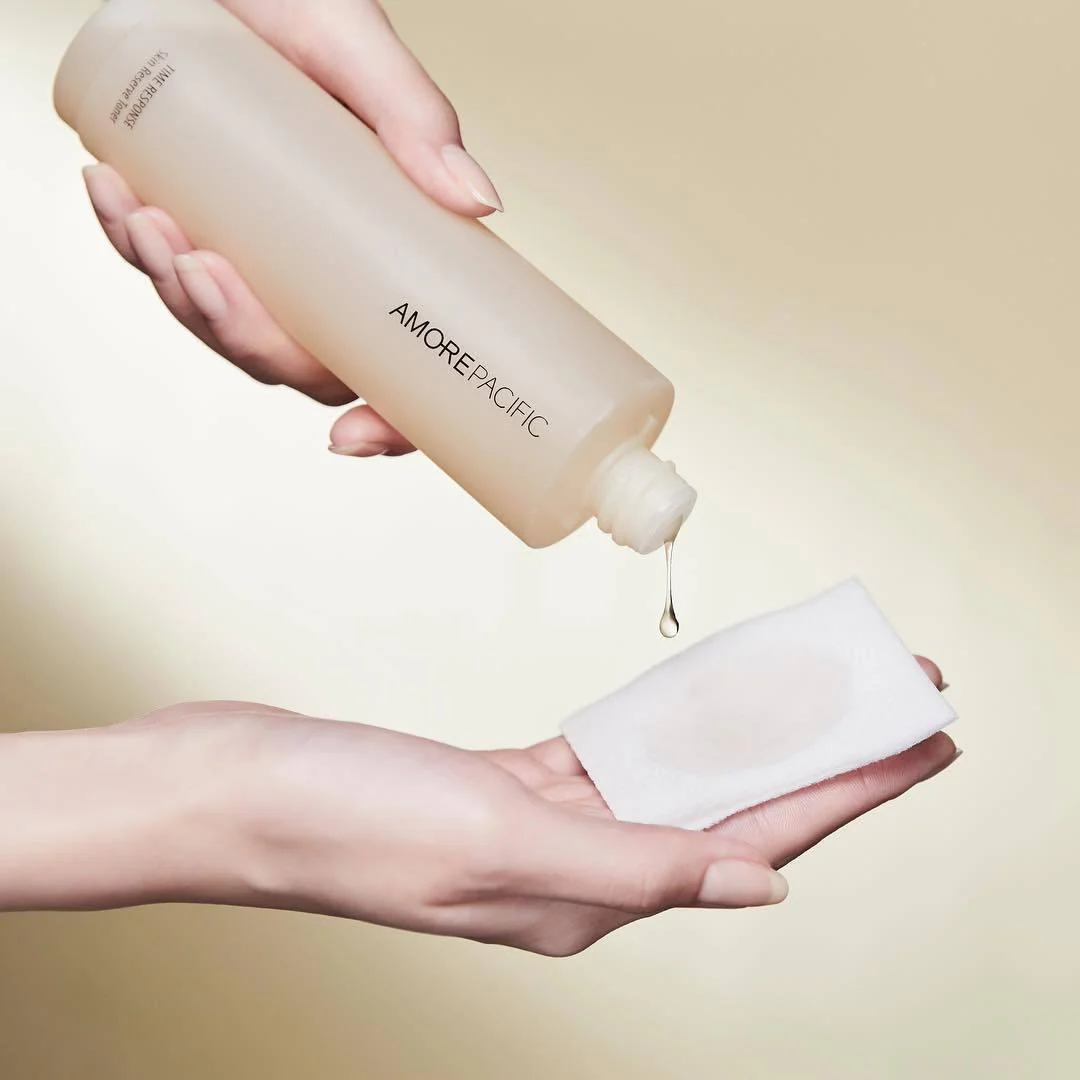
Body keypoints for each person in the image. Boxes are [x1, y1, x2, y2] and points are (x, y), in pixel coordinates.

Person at [0, 0, 959, 957]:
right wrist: (216, 807)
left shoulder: (594, 442)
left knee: (362, 302)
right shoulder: (606, 426)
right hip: (158, 55)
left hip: (181, 42)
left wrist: (204, 794)